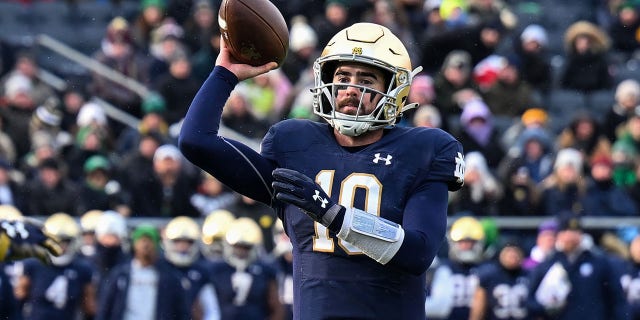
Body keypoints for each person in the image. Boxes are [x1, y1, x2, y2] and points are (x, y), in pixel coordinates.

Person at [179, 22, 465, 319]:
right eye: (342, 76)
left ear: (394, 90)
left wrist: (333, 214)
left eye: (366, 79)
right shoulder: (294, 144)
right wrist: (224, 75)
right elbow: (195, 141)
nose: (351, 89)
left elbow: (418, 252)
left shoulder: (424, 148)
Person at [527, 214, 629, 320]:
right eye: (565, 231)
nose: (570, 236)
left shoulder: (598, 262)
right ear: (558, 235)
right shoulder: (547, 265)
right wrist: (546, 308)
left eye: (574, 231)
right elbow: (530, 301)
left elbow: (617, 299)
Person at [96, 224, 189, 320]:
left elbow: (180, 310)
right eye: (142, 240)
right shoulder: (120, 274)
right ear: (134, 244)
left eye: (150, 240)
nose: (146, 245)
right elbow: (105, 307)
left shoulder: (169, 277)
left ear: (156, 244)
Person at [14, 213, 97, 320]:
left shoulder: (82, 269)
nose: (61, 247)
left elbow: (89, 308)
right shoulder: (33, 265)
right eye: (56, 241)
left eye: (65, 241)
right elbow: (18, 300)